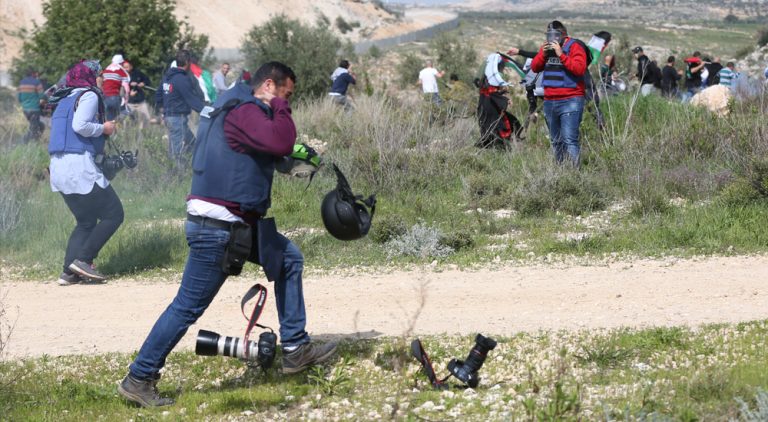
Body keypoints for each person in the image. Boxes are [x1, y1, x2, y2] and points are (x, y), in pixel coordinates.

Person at [118, 61, 337, 407]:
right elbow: (279, 139)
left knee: (289, 259)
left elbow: (260, 150)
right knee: (187, 307)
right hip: (217, 229)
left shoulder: (230, 106)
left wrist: (288, 161)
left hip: (232, 223)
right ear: (269, 85)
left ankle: (295, 348)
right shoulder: (247, 109)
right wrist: (281, 110)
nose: (286, 101)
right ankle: (139, 377)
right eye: (286, 94)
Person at [46, 60, 123, 285]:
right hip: (77, 165)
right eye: (99, 76)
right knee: (114, 214)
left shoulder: (64, 98)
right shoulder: (88, 95)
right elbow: (80, 126)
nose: (101, 80)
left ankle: (69, 273)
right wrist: (105, 128)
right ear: (90, 77)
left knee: (86, 220)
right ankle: (84, 261)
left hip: (59, 167)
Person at [530, 20, 588, 166]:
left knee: (569, 140)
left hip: (571, 100)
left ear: (563, 34)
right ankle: (560, 173)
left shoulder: (575, 46)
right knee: (556, 141)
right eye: (549, 35)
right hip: (550, 100)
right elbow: (535, 67)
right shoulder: (545, 48)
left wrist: (561, 54)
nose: (552, 38)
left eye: (555, 35)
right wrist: (543, 54)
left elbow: (579, 69)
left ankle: (575, 175)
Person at [159, 50, 205, 164]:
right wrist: (207, 111)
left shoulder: (167, 77)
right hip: (177, 118)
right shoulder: (181, 79)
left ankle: (189, 167)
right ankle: (175, 175)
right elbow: (191, 99)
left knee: (192, 144)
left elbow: (158, 95)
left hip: (170, 117)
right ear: (187, 62)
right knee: (176, 151)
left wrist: (163, 109)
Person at [476, 52, 521, 148]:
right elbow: (491, 92)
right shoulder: (491, 77)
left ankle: (494, 148)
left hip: (485, 106)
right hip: (491, 108)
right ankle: (500, 149)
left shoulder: (486, 77)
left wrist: (502, 93)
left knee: (490, 128)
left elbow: (492, 92)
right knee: (498, 128)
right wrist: (505, 100)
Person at [17, 69, 45, 142]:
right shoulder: (36, 82)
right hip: (34, 109)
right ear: (33, 74)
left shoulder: (21, 82)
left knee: (40, 126)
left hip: (25, 110)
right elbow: (42, 96)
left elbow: (19, 98)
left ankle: (33, 142)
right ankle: (24, 143)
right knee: (35, 129)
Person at [122, 60, 152, 127]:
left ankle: (145, 132)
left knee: (147, 119)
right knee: (128, 120)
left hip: (140, 101)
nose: (126, 69)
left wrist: (143, 83)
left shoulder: (138, 73)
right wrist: (130, 85)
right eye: (124, 67)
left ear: (131, 66)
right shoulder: (122, 75)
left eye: (127, 67)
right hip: (129, 102)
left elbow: (147, 80)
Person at [102, 54, 130, 120]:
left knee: (109, 118)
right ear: (121, 62)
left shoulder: (106, 70)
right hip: (114, 96)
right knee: (124, 113)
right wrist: (126, 100)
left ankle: (110, 128)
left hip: (104, 97)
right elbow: (126, 88)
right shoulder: (121, 71)